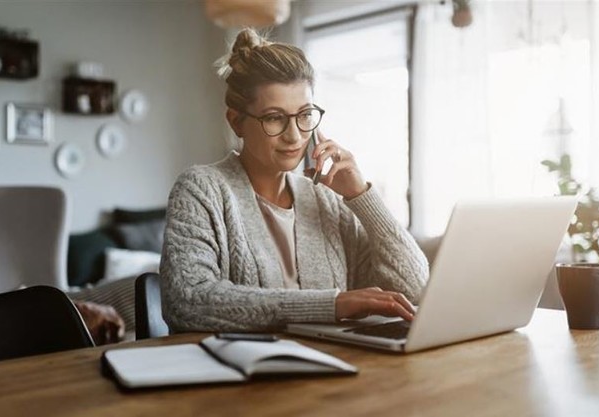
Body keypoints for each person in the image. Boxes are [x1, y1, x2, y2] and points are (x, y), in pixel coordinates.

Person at [160, 28, 428, 332]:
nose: (295, 135)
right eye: (275, 117)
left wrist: (361, 196)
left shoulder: (324, 199)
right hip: (243, 373)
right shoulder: (200, 190)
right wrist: (332, 304)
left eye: (305, 115)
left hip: (333, 365)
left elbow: (414, 287)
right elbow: (187, 301)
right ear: (237, 122)